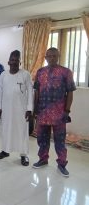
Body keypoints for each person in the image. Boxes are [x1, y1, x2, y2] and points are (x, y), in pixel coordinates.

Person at [33, 47, 76, 177]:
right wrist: (35, 110)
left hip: (59, 114)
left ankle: (62, 164)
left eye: (54, 56)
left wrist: (67, 111)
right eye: (49, 56)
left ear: (58, 56)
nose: (51, 58)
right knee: (42, 138)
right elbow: (37, 92)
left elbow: (70, 93)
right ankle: (43, 159)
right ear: (45, 57)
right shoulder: (40, 72)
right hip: (43, 112)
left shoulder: (66, 72)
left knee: (60, 140)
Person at [0, 50, 33, 166]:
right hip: (6, 109)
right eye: (12, 60)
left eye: (17, 60)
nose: (14, 62)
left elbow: (30, 92)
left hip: (21, 110)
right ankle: (5, 150)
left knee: (22, 131)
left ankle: (24, 155)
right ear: (8, 62)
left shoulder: (25, 74)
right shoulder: (3, 75)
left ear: (20, 62)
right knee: (5, 130)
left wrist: (29, 108)